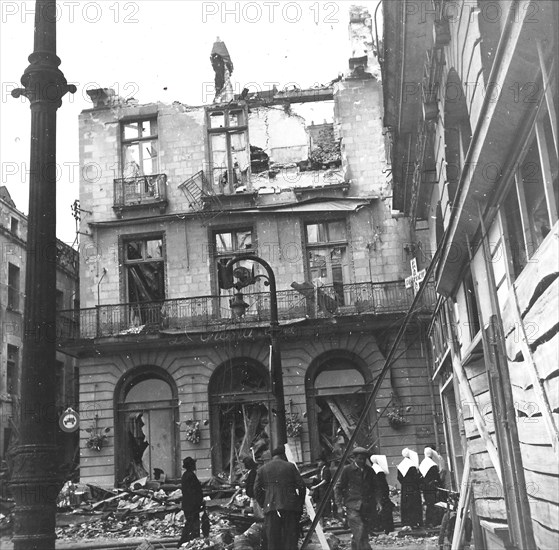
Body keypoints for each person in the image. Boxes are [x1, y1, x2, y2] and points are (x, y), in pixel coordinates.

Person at [254, 446, 306, 550]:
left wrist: (264, 503)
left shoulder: (262, 469)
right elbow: (302, 486)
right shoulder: (290, 466)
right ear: (283, 455)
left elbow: (256, 490)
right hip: (290, 508)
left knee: (273, 541)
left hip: (271, 508)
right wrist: (299, 504)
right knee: (290, 540)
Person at [335, 447, 379, 550]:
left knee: (360, 532)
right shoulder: (347, 470)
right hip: (352, 505)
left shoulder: (369, 471)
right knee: (360, 528)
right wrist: (339, 506)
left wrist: (378, 502)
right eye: (359, 458)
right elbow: (338, 488)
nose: (362, 461)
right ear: (354, 458)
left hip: (366, 506)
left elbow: (376, 488)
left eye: (364, 459)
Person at [178, 457, 204, 548]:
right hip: (192, 505)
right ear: (191, 465)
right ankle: (187, 543)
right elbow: (193, 492)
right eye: (193, 464)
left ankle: (187, 542)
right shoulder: (190, 475)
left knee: (190, 524)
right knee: (192, 525)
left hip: (189, 505)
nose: (195, 465)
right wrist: (198, 503)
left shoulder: (186, 475)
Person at [397, 448, 423, 529]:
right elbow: (416, 478)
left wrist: (404, 483)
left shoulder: (400, 465)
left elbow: (399, 477)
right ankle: (414, 522)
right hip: (413, 488)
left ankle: (406, 522)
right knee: (414, 505)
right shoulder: (412, 465)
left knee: (406, 505)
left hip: (405, 488)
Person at [370, 455, 394, 534]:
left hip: (375, 493)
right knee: (385, 510)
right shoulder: (379, 471)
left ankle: (377, 526)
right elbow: (382, 484)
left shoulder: (372, 469)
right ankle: (386, 527)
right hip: (382, 493)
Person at [420, 447, 443, 527]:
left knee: (429, 504)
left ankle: (428, 521)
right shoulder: (433, 465)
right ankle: (434, 521)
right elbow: (437, 477)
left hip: (425, 488)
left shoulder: (422, 463)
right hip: (432, 488)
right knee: (434, 504)